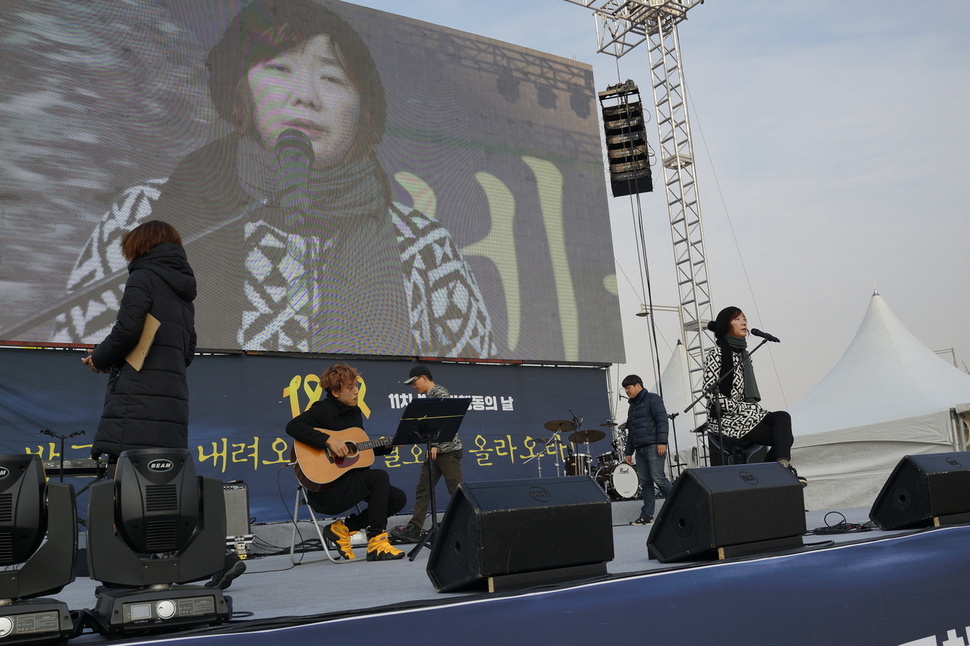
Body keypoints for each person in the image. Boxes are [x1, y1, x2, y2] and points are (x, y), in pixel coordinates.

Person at [54, 0, 496, 359]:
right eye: (279, 69)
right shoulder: (147, 215)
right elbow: (87, 359)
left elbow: (474, 384)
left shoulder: (424, 247)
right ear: (240, 95)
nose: (306, 95)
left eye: (332, 77)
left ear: (363, 112)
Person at [81, 220, 246, 589]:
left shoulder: (143, 278)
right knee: (166, 489)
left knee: (125, 490)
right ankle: (218, 557)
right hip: (172, 402)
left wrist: (100, 358)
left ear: (140, 246)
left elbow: (126, 330)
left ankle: (122, 573)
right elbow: (187, 351)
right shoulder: (183, 290)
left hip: (136, 401)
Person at [286, 363, 407, 561]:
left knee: (397, 498)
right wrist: (328, 440)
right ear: (335, 391)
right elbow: (293, 426)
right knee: (379, 477)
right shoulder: (322, 410)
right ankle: (377, 542)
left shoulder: (355, 412)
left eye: (356, 386)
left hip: (349, 482)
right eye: (350, 387)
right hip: (326, 490)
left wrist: (386, 445)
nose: (356, 391)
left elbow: (358, 449)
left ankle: (342, 530)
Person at [703, 306, 807, 486]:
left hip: (747, 414)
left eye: (744, 319)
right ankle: (773, 474)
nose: (744, 323)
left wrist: (748, 408)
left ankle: (780, 466)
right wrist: (741, 408)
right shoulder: (717, 353)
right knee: (782, 437)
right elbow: (710, 391)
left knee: (782, 418)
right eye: (737, 319)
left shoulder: (744, 355)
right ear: (726, 325)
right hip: (725, 418)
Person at [389, 365, 463, 544]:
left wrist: (436, 444)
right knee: (423, 489)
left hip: (447, 451)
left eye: (414, 382)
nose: (414, 387)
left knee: (457, 490)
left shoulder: (439, 392)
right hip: (433, 451)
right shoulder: (429, 397)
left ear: (423, 378)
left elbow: (446, 419)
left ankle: (464, 524)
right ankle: (414, 527)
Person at [621, 374, 675, 525]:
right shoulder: (632, 405)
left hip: (654, 445)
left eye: (628, 387)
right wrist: (628, 452)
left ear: (638, 385)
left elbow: (662, 420)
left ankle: (679, 505)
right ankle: (647, 515)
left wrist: (662, 442)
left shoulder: (653, 398)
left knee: (659, 478)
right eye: (625, 388)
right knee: (645, 482)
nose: (626, 391)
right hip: (640, 449)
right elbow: (631, 430)